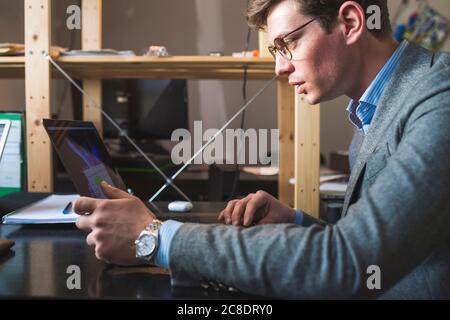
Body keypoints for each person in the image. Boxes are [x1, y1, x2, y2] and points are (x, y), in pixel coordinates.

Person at [74, 0, 450, 299]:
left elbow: (349, 264)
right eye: (275, 49)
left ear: (351, 22)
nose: (279, 68)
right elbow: (387, 246)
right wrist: (298, 223)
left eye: (289, 43)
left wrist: (156, 237)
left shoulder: (439, 98)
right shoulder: (374, 109)